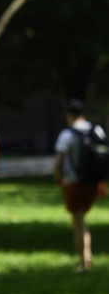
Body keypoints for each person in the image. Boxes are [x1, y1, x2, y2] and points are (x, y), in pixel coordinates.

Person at [53, 98, 107, 272]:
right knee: (83, 220)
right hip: (94, 182)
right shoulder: (97, 130)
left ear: (70, 115)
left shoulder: (67, 134)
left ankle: (83, 263)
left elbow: (59, 160)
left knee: (78, 222)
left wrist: (57, 177)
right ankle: (88, 255)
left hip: (74, 182)